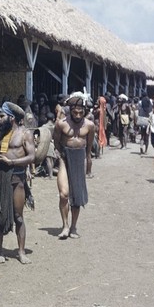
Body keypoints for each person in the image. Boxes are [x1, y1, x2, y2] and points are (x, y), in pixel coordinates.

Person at [0, 101, 36, 264]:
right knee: (0, 215)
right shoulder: (0, 134)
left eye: (2, 116)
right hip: (1, 176)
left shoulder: (25, 134)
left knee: (18, 216)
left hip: (17, 178)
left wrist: (12, 162)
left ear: (11, 118)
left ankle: (21, 252)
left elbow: (31, 157)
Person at [53, 91, 95, 239]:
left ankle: (73, 227)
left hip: (80, 158)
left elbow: (89, 146)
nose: (77, 116)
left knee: (76, 196)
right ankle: (65, 225)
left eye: (80, 113)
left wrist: (87, 163)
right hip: (65, 158)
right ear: (70, 111)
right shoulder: (61, 124)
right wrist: (60, 156)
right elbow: (56, 141)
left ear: (84, 111)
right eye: (75, 112)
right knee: (64, 194)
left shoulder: (89, 126)